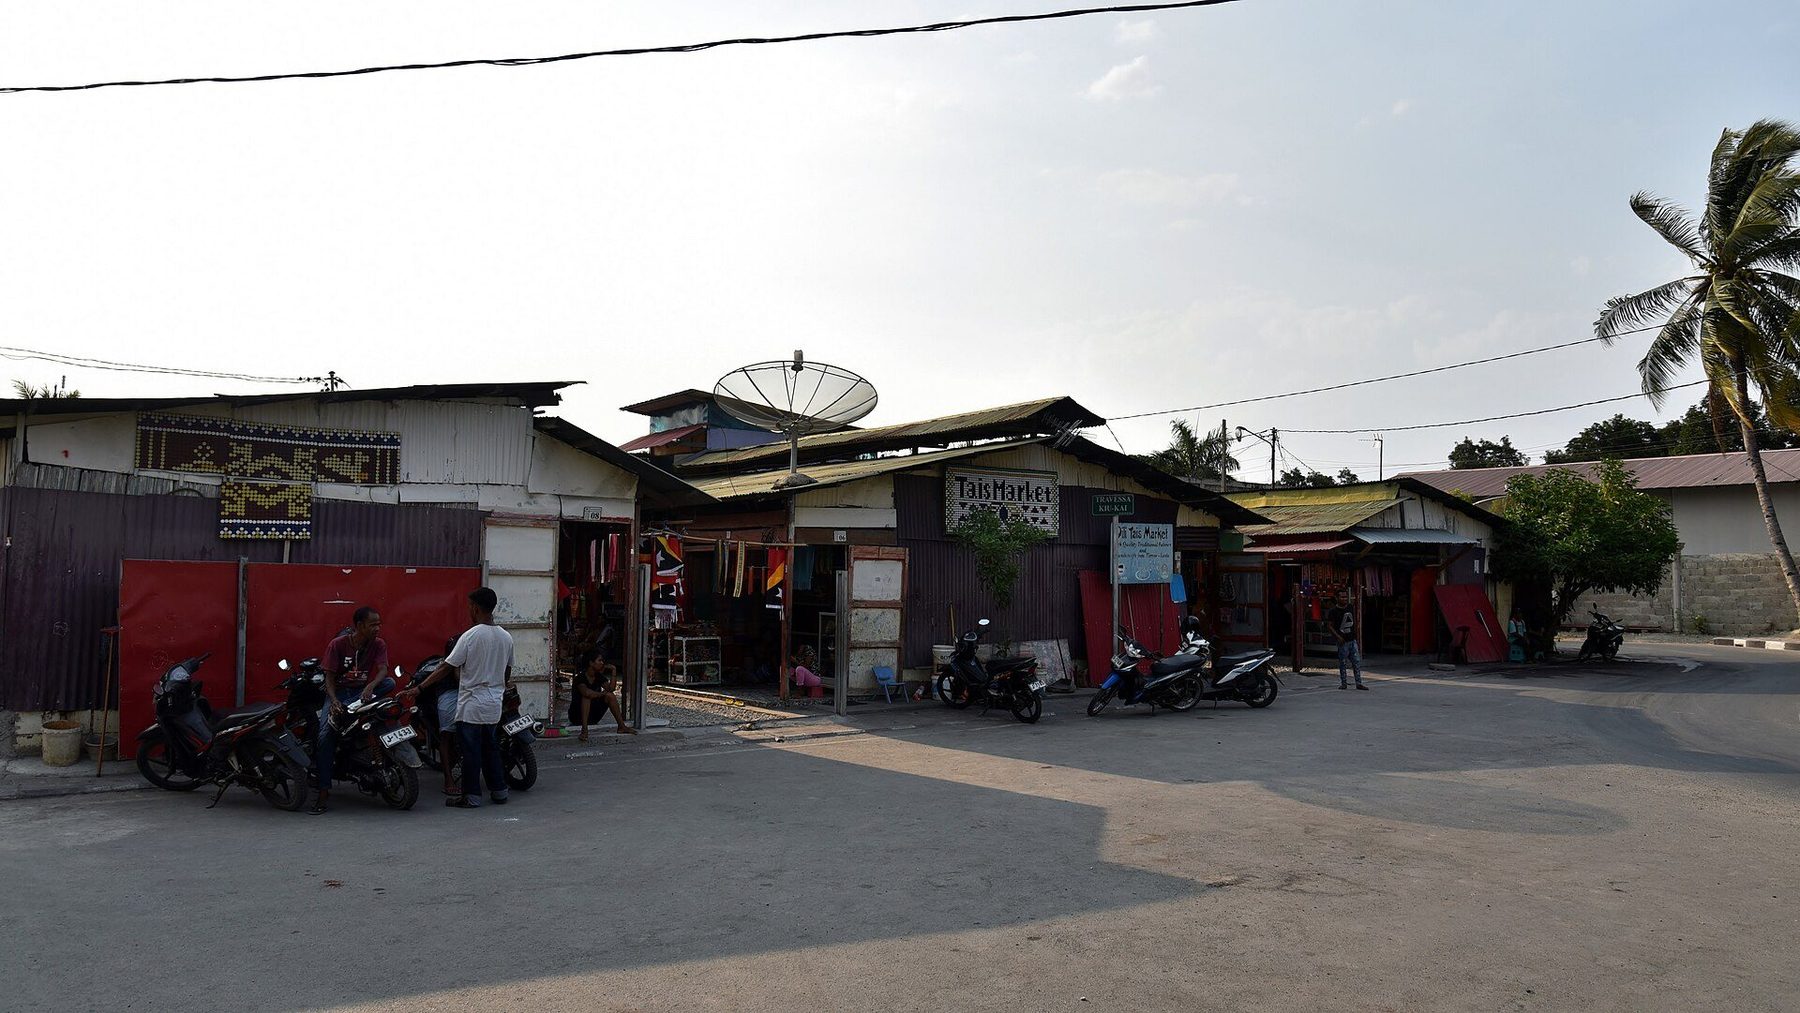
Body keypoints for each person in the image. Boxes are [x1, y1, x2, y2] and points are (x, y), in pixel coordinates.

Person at [310, 605, 394, 815]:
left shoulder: (379, 644)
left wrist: (371, 685)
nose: (377, 628)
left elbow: (383, 670)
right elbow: (329, 678)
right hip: (339, 694)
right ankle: (323, 790)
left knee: (389, 683)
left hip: (362, 693)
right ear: (359, 625)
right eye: (373, 624)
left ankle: (352, 707)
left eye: (379, 624)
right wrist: (334, 700)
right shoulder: (337, 645)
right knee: (324, 737)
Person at [442, 587, 514, 809]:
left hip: (472, 704)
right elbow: (507, 672)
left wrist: (419, 687)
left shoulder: (470, 636)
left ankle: (471, 796)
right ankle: (499, 791)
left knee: (471, 751)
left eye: (469, 606)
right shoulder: (506, 637)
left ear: (475, 608)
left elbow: (447, 667)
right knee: (490, 747)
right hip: (493, 704)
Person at [413, 636, 463, 797]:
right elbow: (451, 672)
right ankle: (449, 780)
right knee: (447, 734)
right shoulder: (449, 661)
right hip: (456, 692)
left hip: (467, 692)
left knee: (447, 736)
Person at [568, 652, 636, 741]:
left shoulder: (598, 676)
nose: (602, 663)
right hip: (577, 716)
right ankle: (584, 730)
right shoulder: (580, 678)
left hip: (593, 716)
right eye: (599, 660)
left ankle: (621, 726)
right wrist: (601, 694)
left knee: (610, 696)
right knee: (587, 697)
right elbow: (587, 693)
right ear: (591, 663)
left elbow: (611, 689)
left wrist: (613, 671)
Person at [1326, 594, 1366, 691]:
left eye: (1345, 597)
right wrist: (1338, 637)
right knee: (1343, 662)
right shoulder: (1333, 611)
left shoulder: (1350, 607)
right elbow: (1330, 626)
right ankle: (1343, 683)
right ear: (1337, 598)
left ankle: (1359, 683)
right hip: (1342, 640)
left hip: (1352, 639)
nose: (1344, 599)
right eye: (1342, 597)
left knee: (1356, 661)